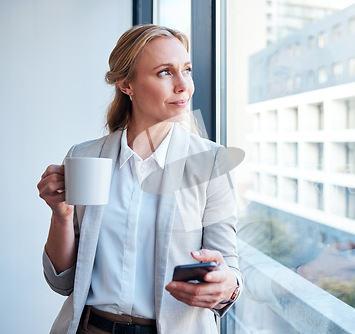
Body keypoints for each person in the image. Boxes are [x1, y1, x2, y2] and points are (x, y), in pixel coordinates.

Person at [37, 24, 241, 334]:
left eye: (186, 70)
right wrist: (60, 215)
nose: (183, 85)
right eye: (164, 72)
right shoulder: (86, 157)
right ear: (126, 84)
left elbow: (230, 274)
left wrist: (227, 286)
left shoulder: (210, 163)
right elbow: (62, 281)